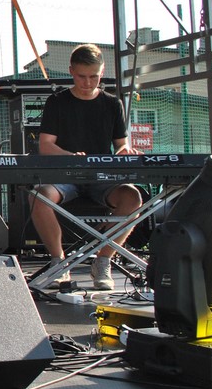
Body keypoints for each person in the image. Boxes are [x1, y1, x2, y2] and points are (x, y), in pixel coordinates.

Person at [29, 43, 142, 291]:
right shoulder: (57, 102)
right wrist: (71, 156)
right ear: (71, 71)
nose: (88, 82)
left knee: (132, 197)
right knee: (39, 196)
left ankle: (103, 260)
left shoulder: (112, 104)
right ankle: (59, 263)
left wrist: (125, 151)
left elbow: (121, 145)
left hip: (102, 178)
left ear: (102, 72)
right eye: (82, 76)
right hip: (65, 176)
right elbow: (46, 146)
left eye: (94, 76)